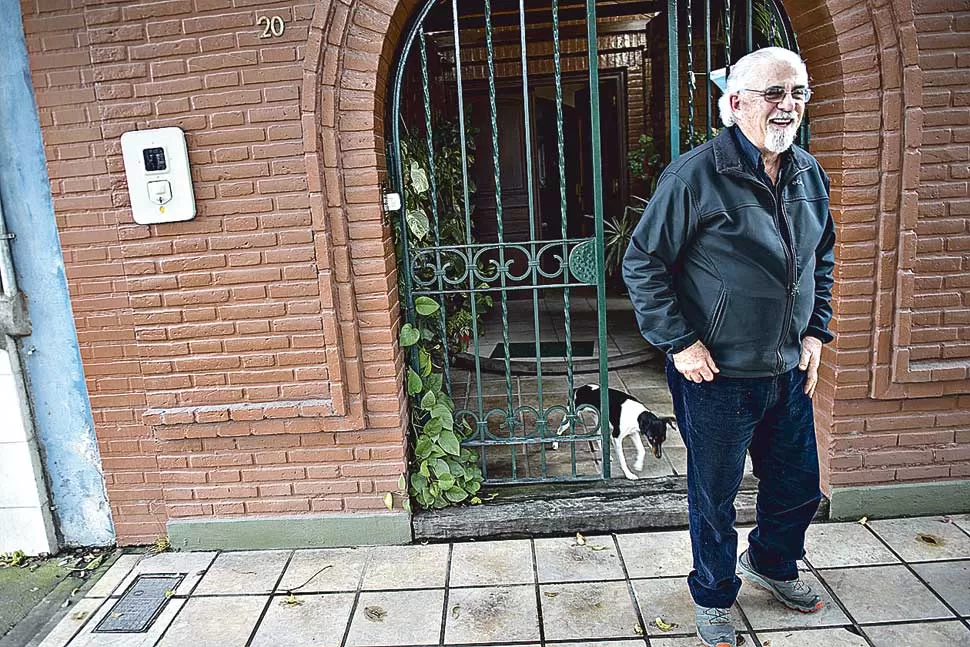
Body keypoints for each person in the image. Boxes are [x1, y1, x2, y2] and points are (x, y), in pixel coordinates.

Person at [622, 47, 835, 647]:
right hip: (713, 375)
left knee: (797, 485)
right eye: (774, 93)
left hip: (788, 369)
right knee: (714, 496)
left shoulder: (807, 172)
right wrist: (679, 342)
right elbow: (643, 262)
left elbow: (821, 257)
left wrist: (816, 330)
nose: (788, 105)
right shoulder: (696, 174)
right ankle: (714, 595)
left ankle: (770, 561)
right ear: (735, 102)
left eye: (798, 92)